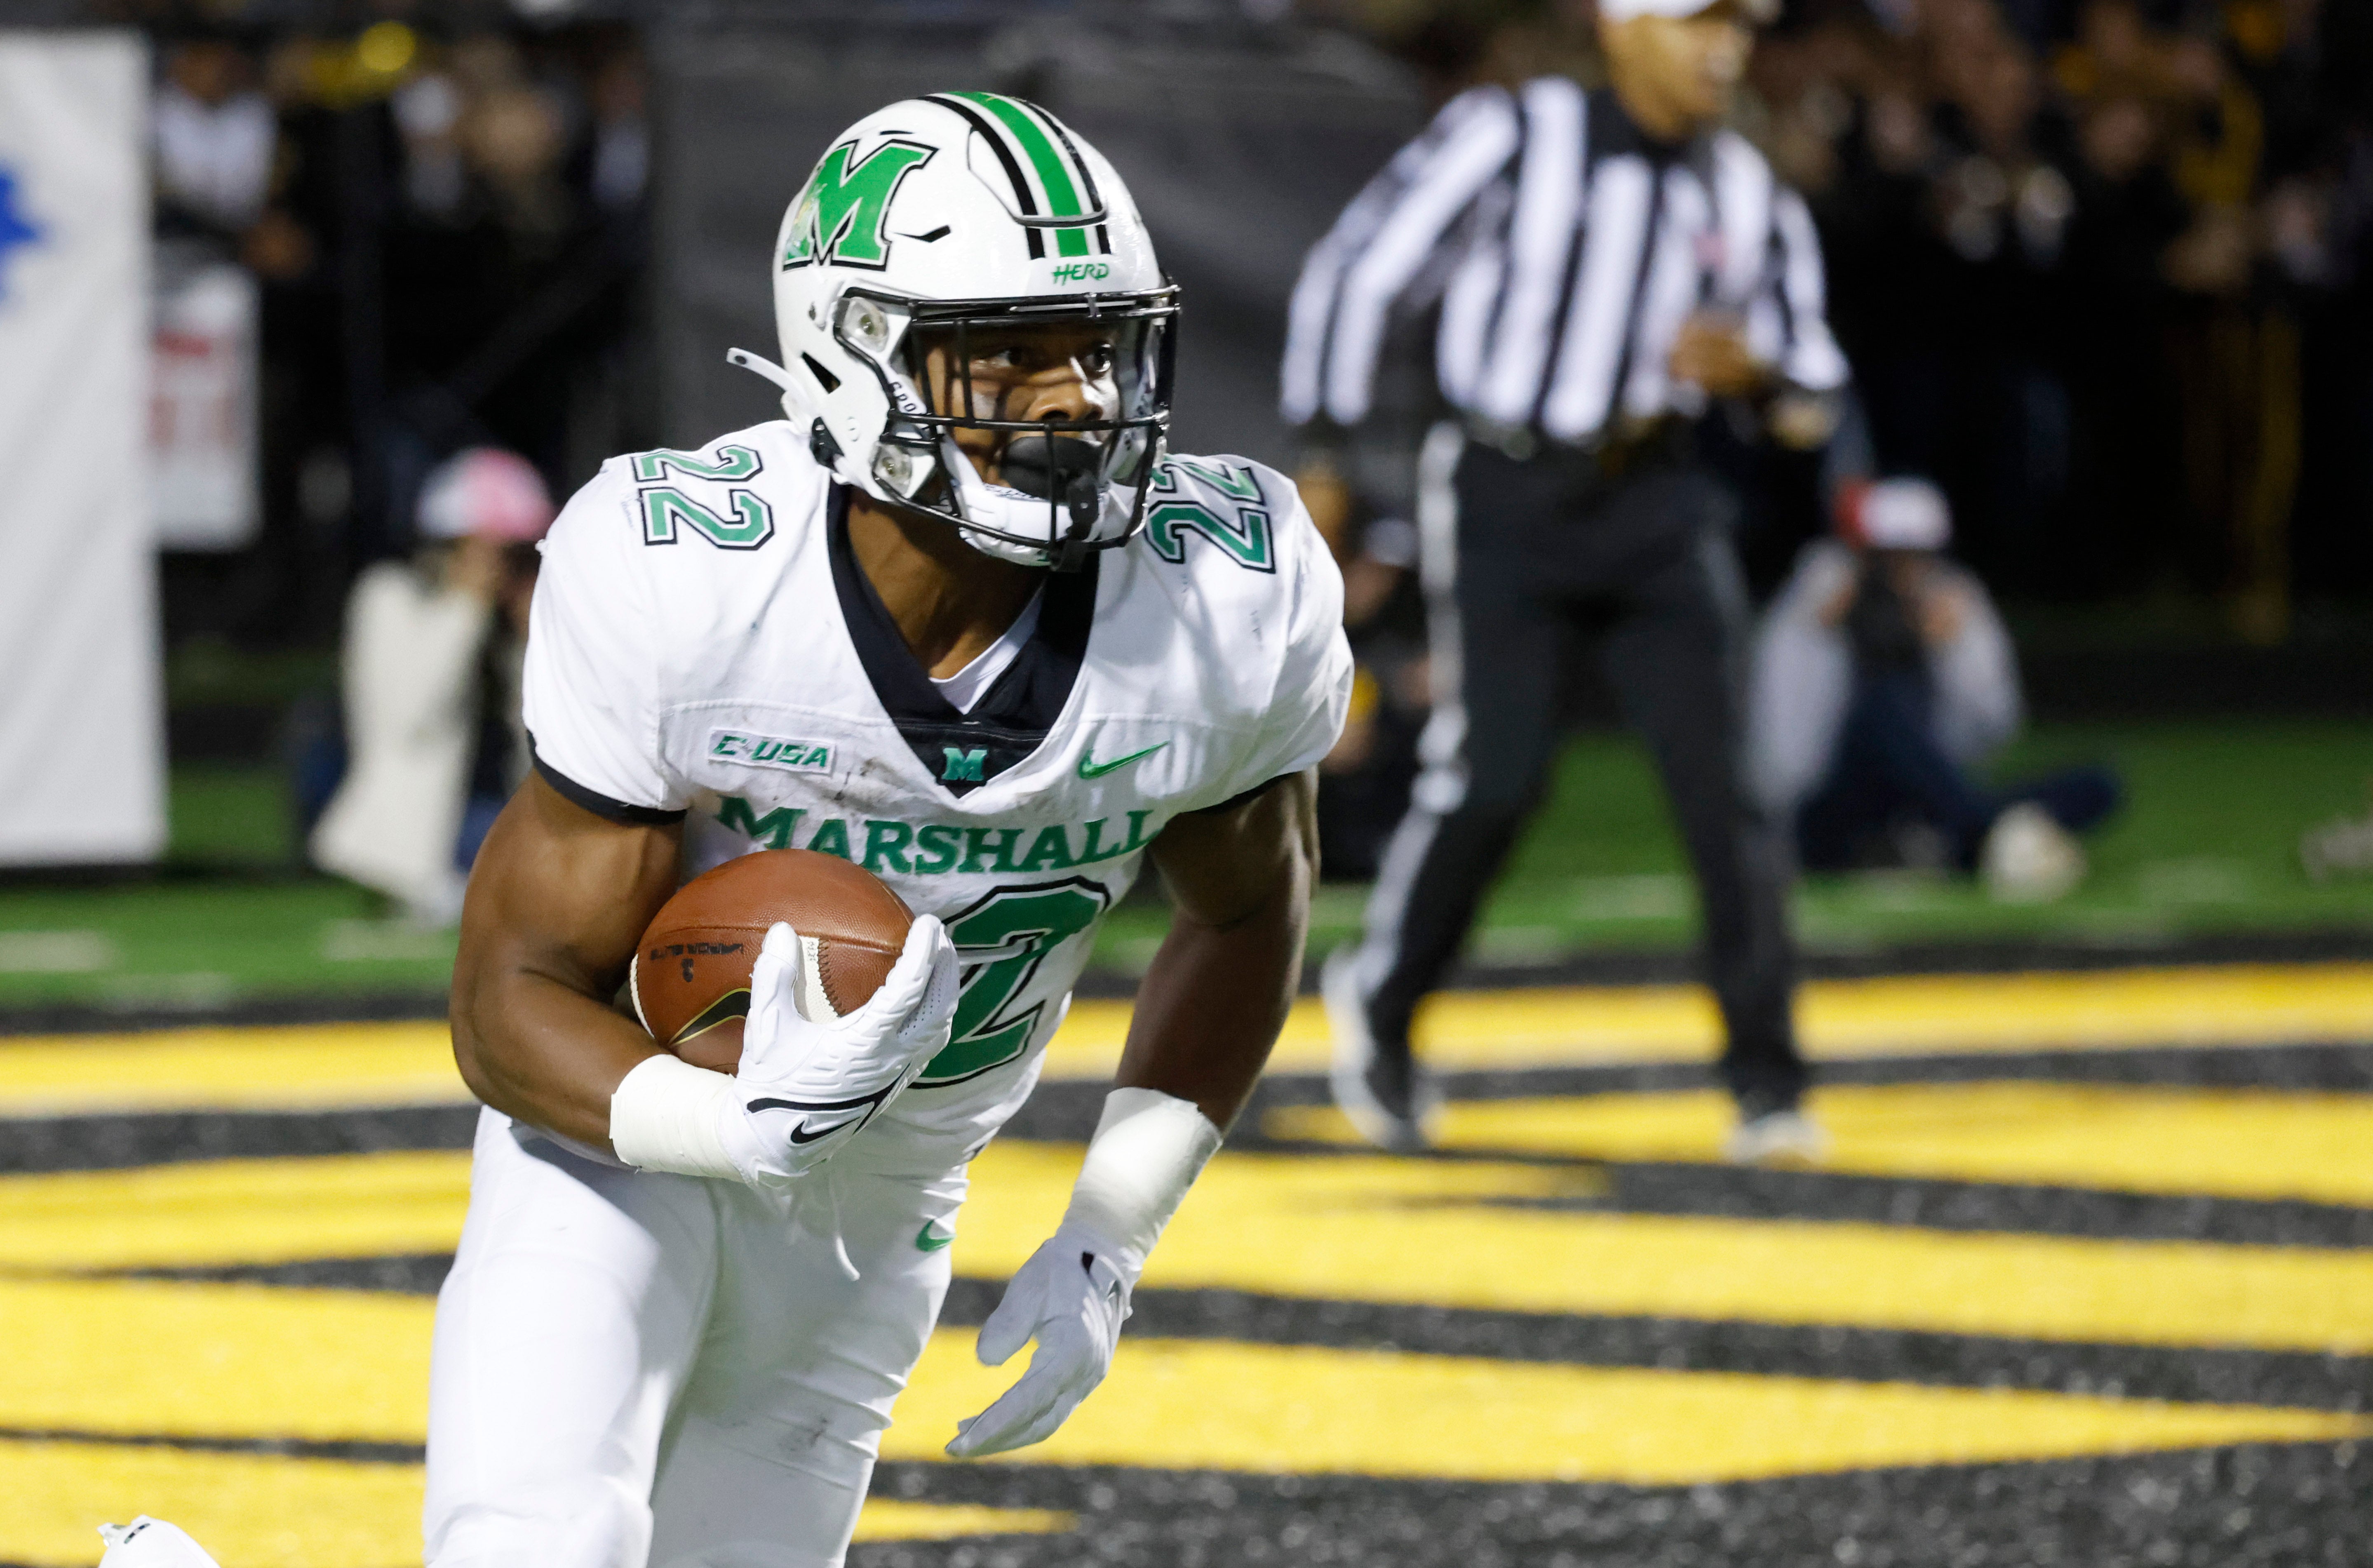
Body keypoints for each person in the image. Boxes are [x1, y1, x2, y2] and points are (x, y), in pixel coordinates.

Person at [409, 95, 1348, 1568]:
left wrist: (1110, 1231)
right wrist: (730, 1124)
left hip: (888, 1190)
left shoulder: (1229, 596)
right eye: (1007, 352)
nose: (1074, 401)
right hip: (625, 1140)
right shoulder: (688, 576)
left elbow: (1247, 909)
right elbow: (505, 996)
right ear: (854, 350)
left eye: (1095, 344)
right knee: (532, 1539)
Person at [1282, 0, 1842, 1164]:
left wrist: (1761, 374)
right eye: (1698, 22)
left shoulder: (1744, 185)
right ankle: (1382, 1009)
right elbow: (1360, 271)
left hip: (1659, 499)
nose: (1724, 49)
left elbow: (1812, 398)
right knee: (1492, 781)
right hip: (1504, 487)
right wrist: (1328, 451)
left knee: (1727, 794)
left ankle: (1765, 1077)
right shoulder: (1513, 135)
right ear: (1620, 26)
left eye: (1740, 26)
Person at [1748, 477, 2120, 900]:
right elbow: (1778, 749)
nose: (1905, 573)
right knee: (1880, 711)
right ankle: (1985, 835)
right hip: (1828, 806)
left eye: (1917, 557)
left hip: (1930, 799)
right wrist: (1820, 635)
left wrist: (1955, 651)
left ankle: (1953, 839)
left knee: (2099, 783)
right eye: (1892, 558)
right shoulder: (1819, 600)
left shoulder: (1953, 601)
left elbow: (1994, 729)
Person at [309, 446, 552, 924]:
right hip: (430, 834)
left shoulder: (521, 627)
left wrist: (537, 637)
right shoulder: (390, 596)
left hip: (515, 817)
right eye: (504, 553)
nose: (512, 571)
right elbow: (405, 717)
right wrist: (466, 609)